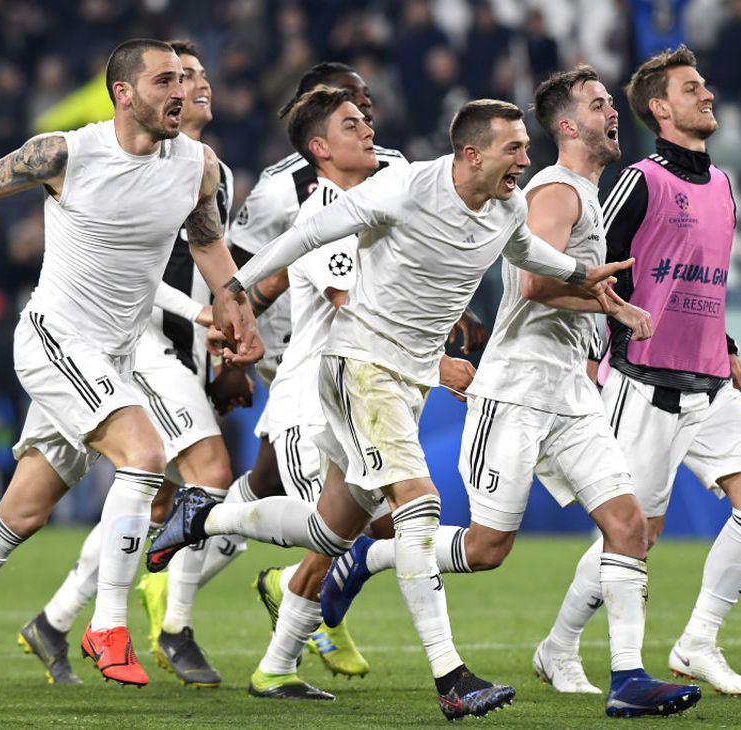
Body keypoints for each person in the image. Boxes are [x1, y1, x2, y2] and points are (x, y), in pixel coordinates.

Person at [150, 98, 633, 720]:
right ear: (472, 153)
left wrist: (584, 273)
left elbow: (527, 255)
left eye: (525, 148)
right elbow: (304, 236)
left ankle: (206, 520)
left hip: (405, 381)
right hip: (358, 368)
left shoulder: (509, 207)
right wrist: (234, 288)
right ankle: (450, 677)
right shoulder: (404, 187)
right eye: (514, 148)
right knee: (419, 507)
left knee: (330, 530)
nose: (525, 159)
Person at [0, 38, 261, 708]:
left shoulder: (197, 165)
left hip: (108, 358)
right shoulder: (66, 153)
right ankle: (108, 627)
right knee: (145, 455)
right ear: (123, 93)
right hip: (55, 339)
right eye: (164, 80)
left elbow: (207, 245)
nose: (181, 91)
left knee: (19, 514)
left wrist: (238, 314)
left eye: (185, 80)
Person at [317, 66, 703, 719]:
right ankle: (371, 555)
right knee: (488, 549)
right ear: (567, 124)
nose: (615, 114)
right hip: (517, 388)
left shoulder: (581, 189)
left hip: (569, 394)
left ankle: (629, 678)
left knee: (629, 525)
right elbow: (530, 286)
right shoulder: (553, 191)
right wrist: (610, 302)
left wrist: (594, 333)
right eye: (600, 104)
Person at [138, 61, 419, 680]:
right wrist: (231, 356)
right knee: (352, 514)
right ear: (318, 124)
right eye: (351, 108)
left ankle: (193, 581)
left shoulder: (395, 168)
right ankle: (306, 603)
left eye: (367, 106)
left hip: (372, 355)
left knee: (272, 488)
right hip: (302, 356)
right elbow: (243, 277)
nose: (366, 118)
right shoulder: (280, 190)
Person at [535, 45, 741, 697]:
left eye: (705, 86)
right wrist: (594, 351)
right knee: (634, 535)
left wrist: (725, 346)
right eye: (692, 88)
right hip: (643, 383)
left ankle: (698, 642)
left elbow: (701, 283)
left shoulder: (725, 187)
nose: (708, 95)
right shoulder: (640, 181)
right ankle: (558, 648)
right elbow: (596, 272)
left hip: (711, 381)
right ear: (659, 107)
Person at [14, 39, 242, 689]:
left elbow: (221, 269)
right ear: (140, 93)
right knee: (205, 474)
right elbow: (135, 275)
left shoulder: (206, 170)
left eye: (196, 76)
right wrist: (204, 318)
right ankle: (169, 623)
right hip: (136, 345)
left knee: (158, 496)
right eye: (177, 77)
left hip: (186, 346)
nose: (194, 87)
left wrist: (232, 333)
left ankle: (59, 619)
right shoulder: (119, 158)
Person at [242, 85, 385, 700]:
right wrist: (436, 362)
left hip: (354, 398)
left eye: (368, 119)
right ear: (320, 149)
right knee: (339, 536)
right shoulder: (323, 215)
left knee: (364, 535)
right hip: (310, 401)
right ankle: (210, 516)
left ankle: (277, 665)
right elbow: (352, 310)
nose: (369, 129)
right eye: (352, 124)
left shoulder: (373, 206)